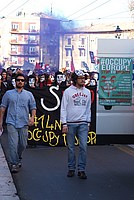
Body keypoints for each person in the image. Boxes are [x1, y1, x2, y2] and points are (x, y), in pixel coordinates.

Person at [0, 73, 36, 173]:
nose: (20, 82)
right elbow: (3, 108)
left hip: (24, 123)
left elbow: (33, 107)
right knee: (12, 144)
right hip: (11, 122)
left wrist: (32, 118)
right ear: (15, 82)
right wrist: (0, 121)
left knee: (23, 144)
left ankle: (18, 157)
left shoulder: (29, 94)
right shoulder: (8, 94)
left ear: (24, 82)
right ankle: (14, 163)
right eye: (18, 80)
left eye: (22, 80)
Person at [60, 70, 91, 179]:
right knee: (71, 148)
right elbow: (63, 108)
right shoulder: (68, 91)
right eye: (80, 78)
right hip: (70, 123)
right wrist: (64, 123)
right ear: (75, 79)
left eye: (84, 78)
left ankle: (81, 169)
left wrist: (88, 121)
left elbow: (88, 109)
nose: (83, 80)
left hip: (83, 123)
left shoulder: (87, 92)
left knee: (83, 146)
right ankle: (71, 168)